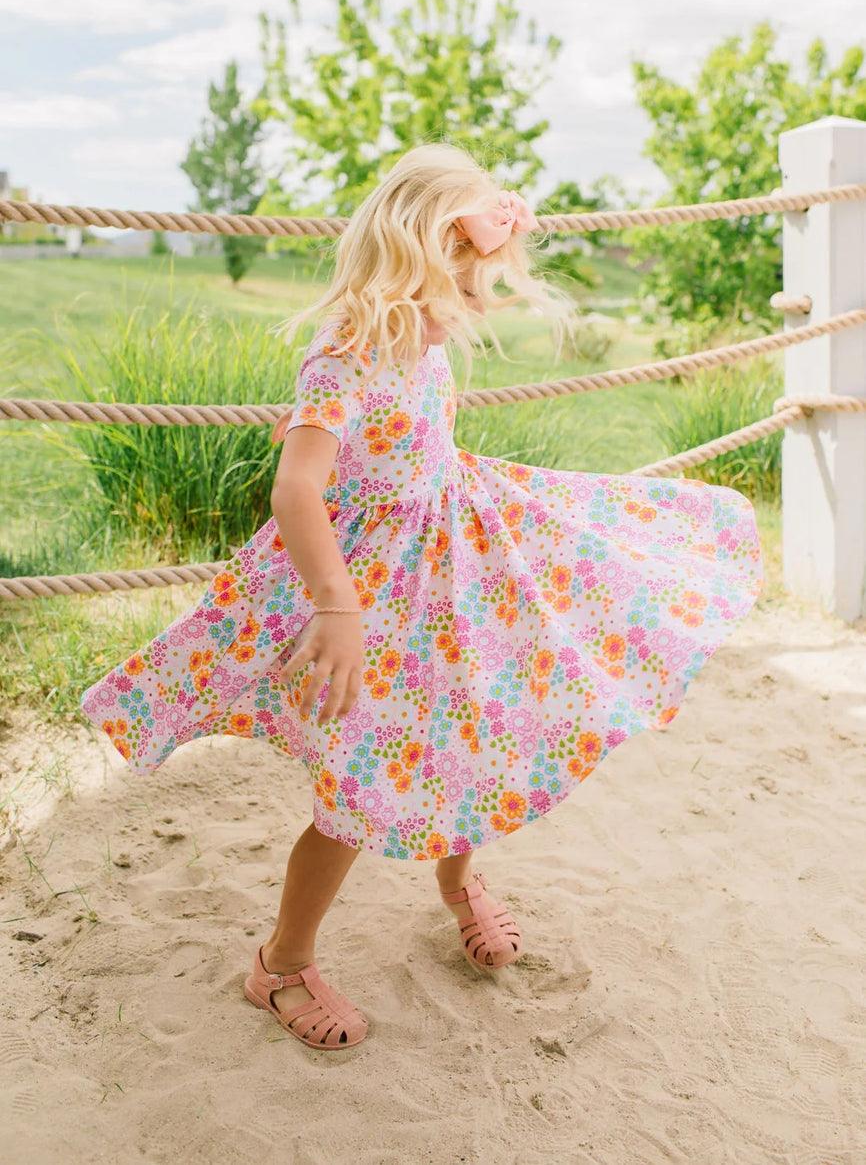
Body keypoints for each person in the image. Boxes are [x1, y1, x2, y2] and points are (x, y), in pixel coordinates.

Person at [80, 143, 764, 1051]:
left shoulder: (417, 339)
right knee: (362, 781)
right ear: (417, 258)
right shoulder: (349, 350)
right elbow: (296, 492)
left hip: (451, 572)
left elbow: (415, 451)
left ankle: (457, 882)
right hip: (370, 593)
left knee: (467, 733)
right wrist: (335, 607)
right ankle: (279, 965)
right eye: (470, 284)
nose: (478, 308)